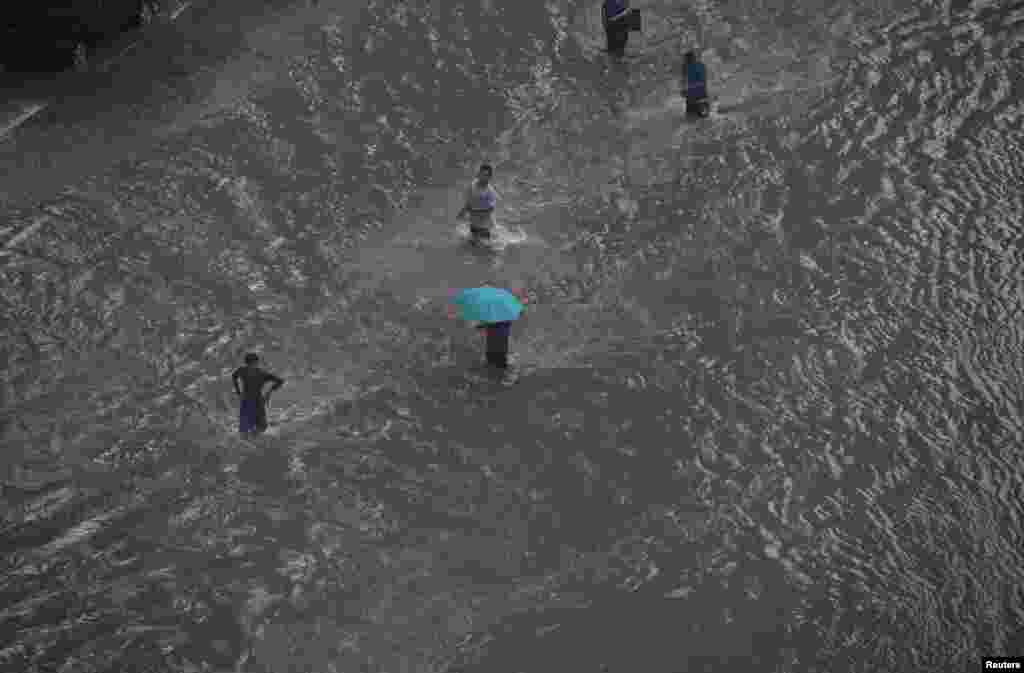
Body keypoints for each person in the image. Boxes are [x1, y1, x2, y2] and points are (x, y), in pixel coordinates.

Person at [231, 353, 284, 435]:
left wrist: (269, 392)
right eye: (250, 364)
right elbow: (234, 376)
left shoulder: (258, 373)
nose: (251, 366)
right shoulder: (250, 371)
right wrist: (238, 392)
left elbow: (280, 381)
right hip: (251, 401)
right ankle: (252, 437)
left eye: (252, 364)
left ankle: (253, 437)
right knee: (248, 427)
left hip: (254, 401)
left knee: (258, 426)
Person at [457, 163, 499, 243]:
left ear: (489, 177)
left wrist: (475, 212)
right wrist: (462, 212)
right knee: (472, 245)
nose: (482, 176)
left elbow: (491, 209)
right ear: (478, 173)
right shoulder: (472, 185)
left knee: (486, 246)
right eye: (481, 174)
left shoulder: (490, 192)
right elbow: (468, 202)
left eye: (485, 175)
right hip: (474, 223)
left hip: (485, 225)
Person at [683, 50, 710, 117]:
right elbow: (684, 80)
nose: (686, 61)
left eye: (687, 59)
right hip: (698, 94)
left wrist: (685, 89)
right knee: (699, 116)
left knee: (693, 116)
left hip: (696, 95)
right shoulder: (700, 65)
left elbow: (684, 80)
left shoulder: (686, 67)